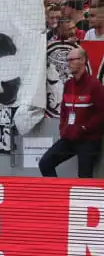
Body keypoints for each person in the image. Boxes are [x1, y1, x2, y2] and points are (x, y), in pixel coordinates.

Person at [39, 47, 104, 177]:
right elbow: (64, 110)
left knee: (84, 177)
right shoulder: (68, 84)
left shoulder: (95, 85)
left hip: (88, 139)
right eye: (67, 60)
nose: (68, 64)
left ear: (82, 60)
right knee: (45, 163)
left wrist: (84, 128)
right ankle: (57, 195)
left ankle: (85, 197)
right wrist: (63, 127)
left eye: (71, 60)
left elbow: (101, 113)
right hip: (70, 137)